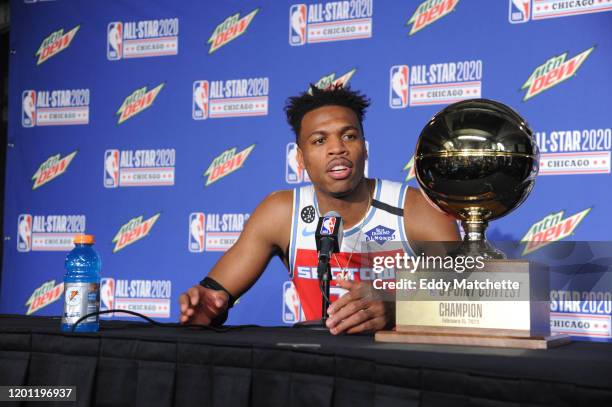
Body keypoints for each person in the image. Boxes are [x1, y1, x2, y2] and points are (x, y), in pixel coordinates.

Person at [179, 85, 459, 334]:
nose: (337, 148)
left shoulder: (416, 210)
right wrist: (206, 308)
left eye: (349, 136)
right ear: (300, 158)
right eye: (319, 140)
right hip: (322, 373)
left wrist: (399, 307)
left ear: (365, 147)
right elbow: (214, 296)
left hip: (401, 374)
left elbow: (476, 300)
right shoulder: (280, 213)